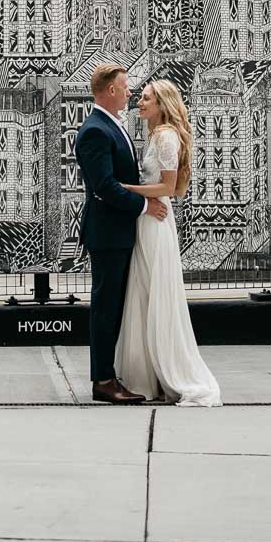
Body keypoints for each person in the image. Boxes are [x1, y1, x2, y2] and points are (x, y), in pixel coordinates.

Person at [112, 78, 223, 406]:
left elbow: (169, 188)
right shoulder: (157, 136)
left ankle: (161, 373)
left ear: (161, 105)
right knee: (146, 292)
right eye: (141, 98)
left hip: (155, 221)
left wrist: (124, 190)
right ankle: (151, 374)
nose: (140, 102)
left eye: (146, 99)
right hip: (148, 220)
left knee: (153, 292)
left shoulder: (165, 138)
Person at [74, 62, 166, 405]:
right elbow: (105, 187)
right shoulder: (95, 130)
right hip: (108, 234)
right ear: (110, 90)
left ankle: (110, 375)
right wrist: (145, 207)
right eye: (126, 87)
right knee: (106, 307)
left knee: (114, 306)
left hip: (118, 232)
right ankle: (103, 380)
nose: (130, 93)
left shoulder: (111, 125)